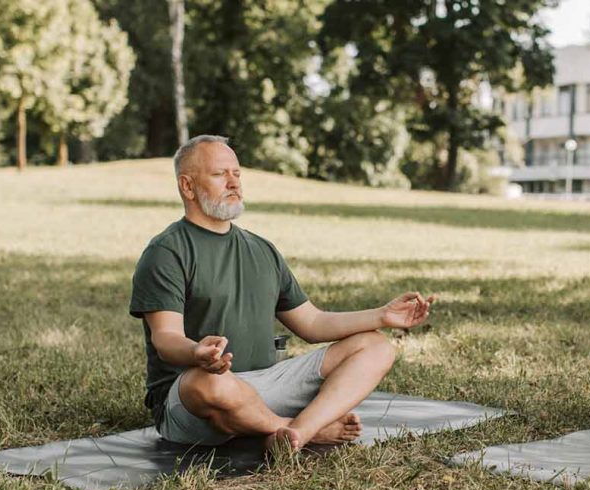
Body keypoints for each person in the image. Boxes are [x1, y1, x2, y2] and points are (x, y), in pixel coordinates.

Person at [130, 135, 436, 453]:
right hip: (196, 395)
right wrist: (197, 353)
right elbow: (165, 339)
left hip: (267, 384)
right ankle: (304, 430)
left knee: (375, 346)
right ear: (188, 187)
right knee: (208, 383)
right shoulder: (167, 251)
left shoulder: (261, 249)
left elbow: (313, 324)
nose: (233, 182)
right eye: (220, 174)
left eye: (237, 173)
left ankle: (293, 433)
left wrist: (381, 315)